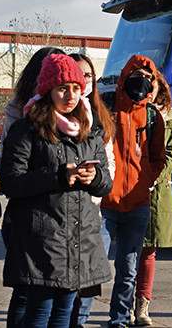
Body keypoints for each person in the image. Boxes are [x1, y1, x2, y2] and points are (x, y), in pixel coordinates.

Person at [0, 53, 112, 328]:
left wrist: (93, 176)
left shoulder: (90, 128)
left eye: (76, 88)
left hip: (80, 234)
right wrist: (61, 175)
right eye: (62, 88)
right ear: (47, 89)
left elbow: (107, 182)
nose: (70, 95)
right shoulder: (27, 129)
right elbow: (11, 182)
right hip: (42, 237)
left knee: (65, 310)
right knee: (39, 311)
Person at [87, 55, 167, 328]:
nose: (141, 82)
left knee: (128, 270)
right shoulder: (105, 108)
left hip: (137, 204)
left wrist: (145, 180)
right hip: (105, 203)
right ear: (124, 77)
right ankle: (78, 318)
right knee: (93, 267)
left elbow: (159, 158)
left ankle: (119, 319)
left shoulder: (154, 116)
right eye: (136, 76)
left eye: (147, 78)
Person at [0, 46, 64, 328]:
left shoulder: (78, 116)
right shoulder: (18, 112)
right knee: (25, 294)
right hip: (25, 214)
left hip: (61, 216)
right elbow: (5, 166)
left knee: (60, 297)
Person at [68, 52, 116, 328]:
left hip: (93, 213)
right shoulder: (51, 113)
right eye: (77, 74)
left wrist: (96, 187)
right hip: (61, 213)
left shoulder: (100, 116)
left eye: (87, 76)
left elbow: (108, 166)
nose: (83, 81)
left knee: (88, 286)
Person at [132, 69, 172, 326]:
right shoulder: (126, 113)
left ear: (160, 89)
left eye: (153, 86)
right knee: (128, 251)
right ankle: (123, 304)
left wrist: (151, 177)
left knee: (148, 251)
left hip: (156, 190)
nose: (147, 91)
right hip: (127, 190)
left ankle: (142, 307)